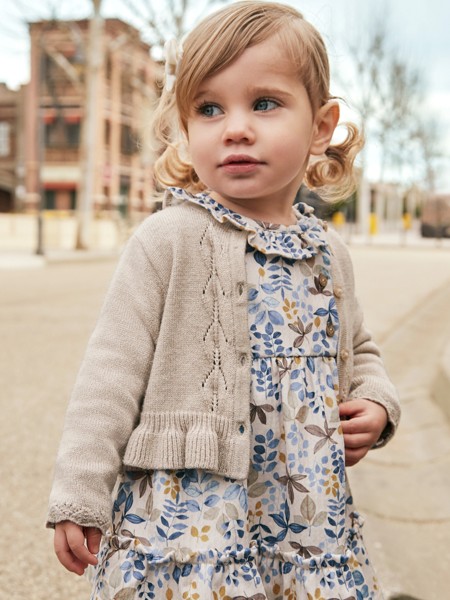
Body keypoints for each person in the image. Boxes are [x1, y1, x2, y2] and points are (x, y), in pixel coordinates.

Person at [47, 2, 400, 598]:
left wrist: (377, 403)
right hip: (194, 516)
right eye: (209, 109)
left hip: (308, 513)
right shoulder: (170, 239)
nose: (234, 127)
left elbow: (359, 348)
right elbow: (110, 371)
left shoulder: (327, 253)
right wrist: (80, 491)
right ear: (186, 130)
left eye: (264, 103)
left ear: (321, 125)